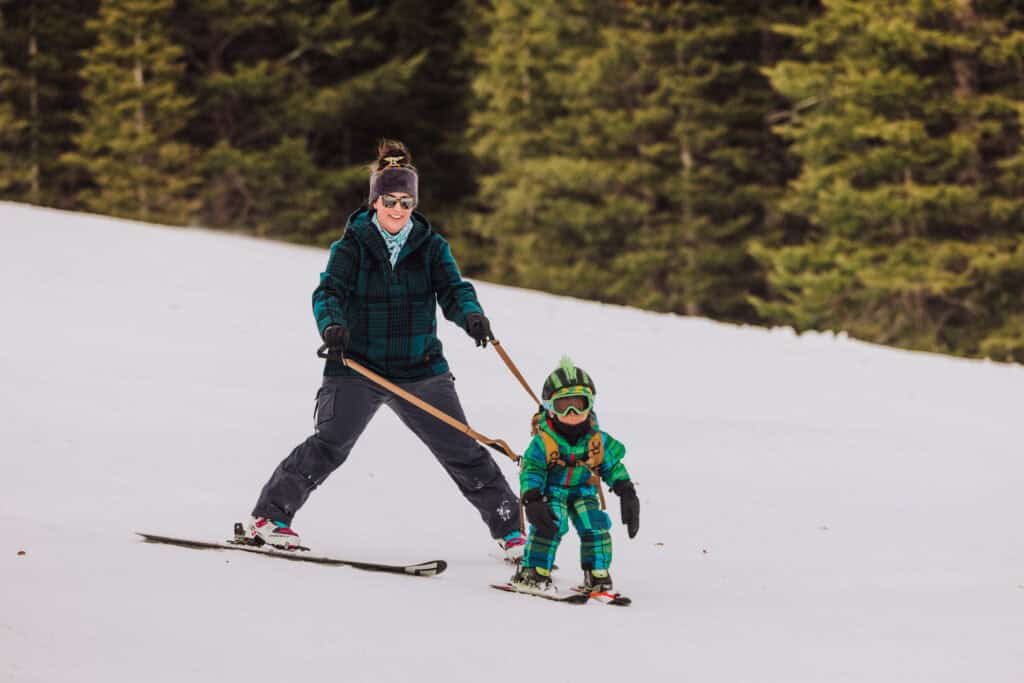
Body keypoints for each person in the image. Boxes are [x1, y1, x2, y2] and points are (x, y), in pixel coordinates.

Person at [247, 139, 525, 561]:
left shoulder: (431, 247)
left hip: (421, 369)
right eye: (390, 200)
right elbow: (329, 293)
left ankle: (514, 534)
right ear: (375, 201)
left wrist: (471, 316)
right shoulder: (352, 245)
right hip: (359, 366)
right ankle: (268, 519)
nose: (398, 210)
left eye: (406, 202)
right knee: (330, 443)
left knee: (462, 449)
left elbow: (454, 290)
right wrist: (333, 326)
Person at [510, 356, 639, 592]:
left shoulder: (597, 439)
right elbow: (532, 469)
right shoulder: (544, 441)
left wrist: (626, 490)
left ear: (590, 404)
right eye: (563, 405)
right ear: (550, 407)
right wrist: (532, 497)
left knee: (596, 525)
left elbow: (612, 465)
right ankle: (534, 570)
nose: (571, 412)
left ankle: (597, 572)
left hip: (583, 489)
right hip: (552, 490)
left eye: (579, 404)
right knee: (551, 523)